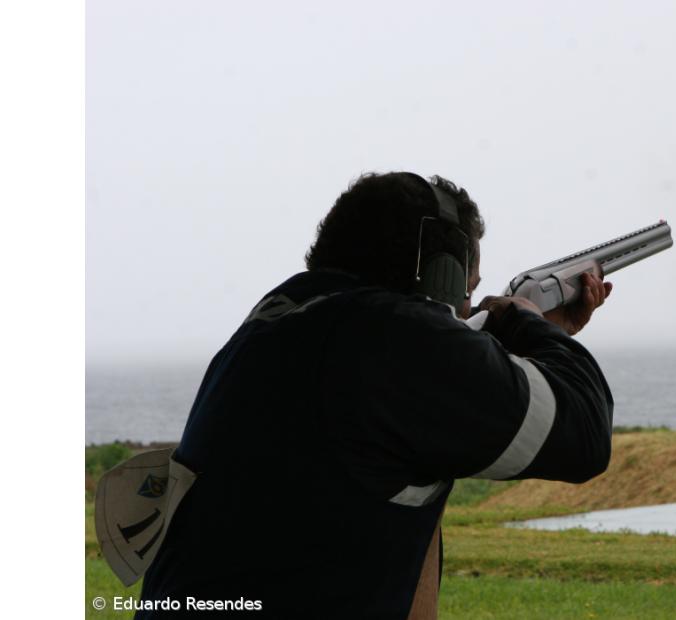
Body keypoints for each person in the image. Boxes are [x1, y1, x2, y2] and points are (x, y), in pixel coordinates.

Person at [136, 171, 615, 618]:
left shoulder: (276, 322)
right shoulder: (395, 338)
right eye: (467, 290)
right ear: (441, 276)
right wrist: (525, 320)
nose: (469, 308)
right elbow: (586, 433)